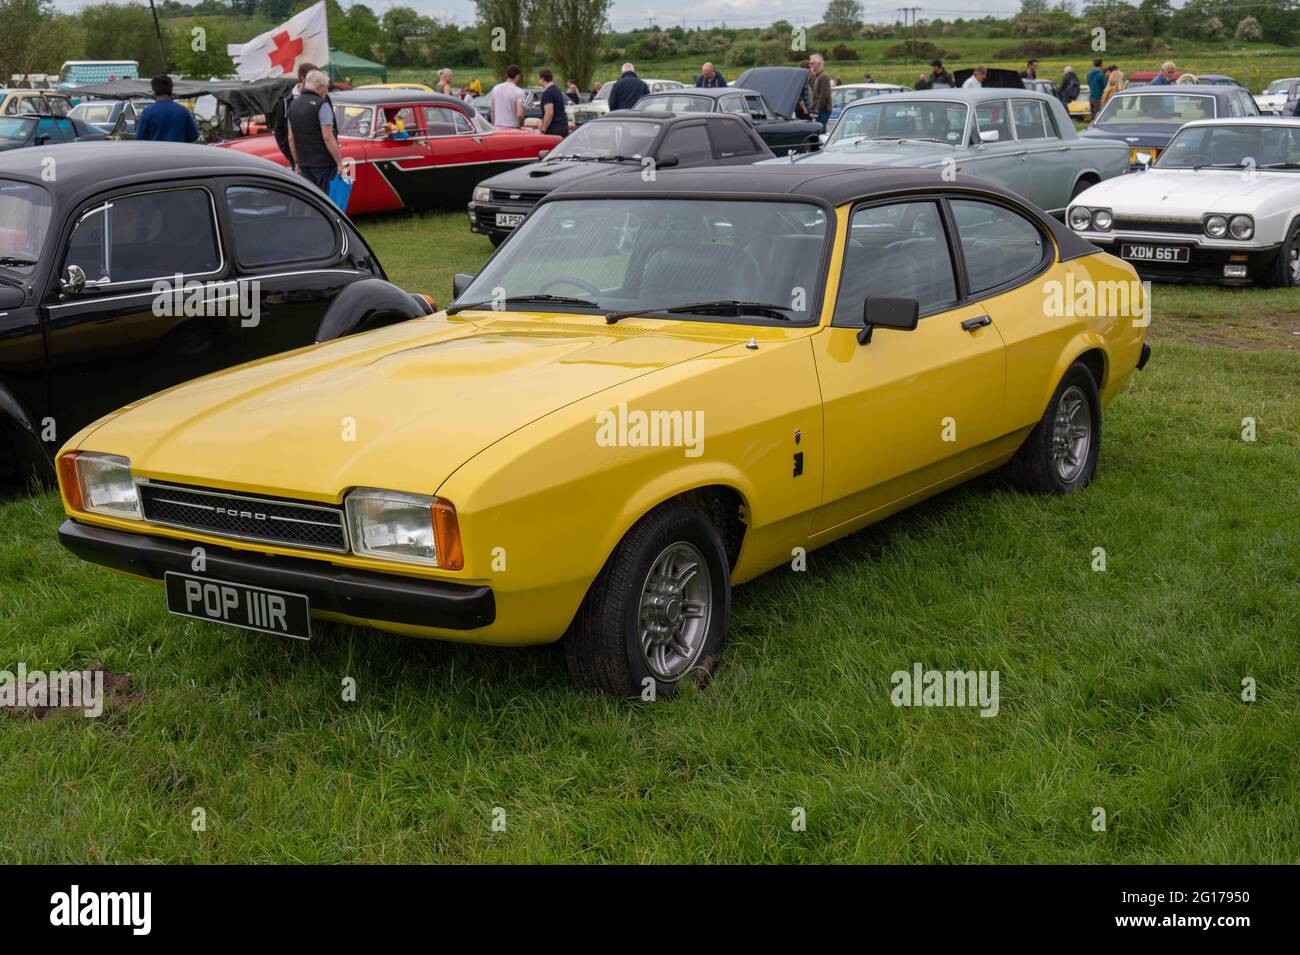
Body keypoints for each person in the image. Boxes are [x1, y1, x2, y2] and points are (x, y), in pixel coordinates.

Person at [287, 70, 343, 194]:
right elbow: (327, 137)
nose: (327, 91)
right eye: (326, 88)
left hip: (304, 163)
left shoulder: (293, 105)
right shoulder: (322, 105)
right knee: (327, 201)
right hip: (324, 164)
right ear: (320, 87)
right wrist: (339, 162)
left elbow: (291, 138)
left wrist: (296, 162)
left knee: (312, 200)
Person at [272, 61, 317, 167]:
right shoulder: (285, 101)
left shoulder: (322, 97)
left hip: (320, 159)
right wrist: (292, 157)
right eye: (313, 77)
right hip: (298, 159)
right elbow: (279, 131)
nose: (316, 81)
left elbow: (331, 127)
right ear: (302, 78)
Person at [135, 73, 200, 143]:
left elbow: (139, 138)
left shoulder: (147, 112)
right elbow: (194, 135)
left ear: (154, 91)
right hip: (179, 152)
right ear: (171, 90)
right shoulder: (183, 111)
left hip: (155, 152)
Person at [490, 64, 526, 129]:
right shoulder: (519, 91)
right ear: (518, 76)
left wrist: (493, 124)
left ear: (506, 75)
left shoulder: (495, 88)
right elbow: (520, 114)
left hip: (497, 127)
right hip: (513, 127)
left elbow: (492, 110)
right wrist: (521, 126)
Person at [537, 69, 568, 137]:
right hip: (563, 126)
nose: (538, 81)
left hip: (554, 129)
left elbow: (549, 113)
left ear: (542, 79)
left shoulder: (548, 93)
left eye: (538, 79)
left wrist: (543, 130)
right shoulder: (557, 90)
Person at [808, 53, 832, 130]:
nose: (810, 65)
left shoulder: (823, 77)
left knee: (820, 132)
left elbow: (824, 95)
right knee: (818, 131)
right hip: (818, 110)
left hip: (823, 110)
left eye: (812, 63)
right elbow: (812, 87)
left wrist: (817, 110)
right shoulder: (817, 76)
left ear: (818, 64)